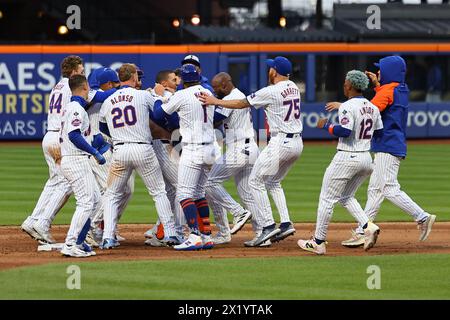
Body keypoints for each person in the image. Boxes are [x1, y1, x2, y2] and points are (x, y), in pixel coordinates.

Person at [326, 55, 437, 247]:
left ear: (389, 72)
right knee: (375, 191)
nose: (377, 72)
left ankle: (422, 216)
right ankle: (364, 231)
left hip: (387, 145)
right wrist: (377, 85)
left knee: (388, 187)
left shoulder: (387, 91)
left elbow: (368, 111)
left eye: (380, 70)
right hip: (392, 144)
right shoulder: (400, 88)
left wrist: (343, 105)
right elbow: (383, 102)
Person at [199, 56, 303, 247]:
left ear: (274, 72)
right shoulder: (294, 87)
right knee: (255, 190)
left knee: (211, 182)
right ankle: (263, 231)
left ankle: (247, 216)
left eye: (271, 68)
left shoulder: (269, 91)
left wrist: (212, 101)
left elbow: (238, 105)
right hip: (285, 142)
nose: (268, 70)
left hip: (249, 146)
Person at [21, 55, 116, 244]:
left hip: (50, 135)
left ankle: (33, 220)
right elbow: (104, 96)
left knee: (54, 182)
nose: (84, 74)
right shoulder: (72, 87)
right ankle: (43, 222)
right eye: (81, 71)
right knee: (65, 183)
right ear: (73, 72)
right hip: (60, 138)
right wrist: (124, 89)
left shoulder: (57, 86)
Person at [297, 70, 382, 255]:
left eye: (345, 83)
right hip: (366, 158)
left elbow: (344, 131)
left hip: (347, 156)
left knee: (327, 198)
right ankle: (368, 226)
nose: (344, 85)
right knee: (346, 197)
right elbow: (380, 132)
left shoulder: (346, 106)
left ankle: (318, 242)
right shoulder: (373, 107)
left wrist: (326, 126)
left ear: (350, 85)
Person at [99, 63, 178, 249]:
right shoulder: (143, 95)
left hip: (120, 150)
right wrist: (158, 96)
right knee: (159, 192)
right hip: (143, 148)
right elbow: (159, 116)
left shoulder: (109, 100)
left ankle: (108, 237)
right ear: (134, 77)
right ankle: (171, 233)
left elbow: (103, 127)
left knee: (111, 195)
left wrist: (120, 135)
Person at [154, 64, 216, 251]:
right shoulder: (206, 91)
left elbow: (158, 115)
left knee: (183, 193)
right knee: (198, 193)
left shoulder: (182, 95)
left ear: (183, 80)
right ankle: (206, 234)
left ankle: (195, 235)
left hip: (194, 149)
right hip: (211, 148)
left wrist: (158, 96)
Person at [204, 72, 263, 246]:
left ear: (225, 85)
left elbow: (215, 120)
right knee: (247, 194)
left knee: (210, 182)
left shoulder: (233, 97)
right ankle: (261, 233)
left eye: (216, 89)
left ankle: (238, 212)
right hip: (249, 147)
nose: (215, 93)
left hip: (240, 148)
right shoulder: (235, 96)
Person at [59, 75, 107, 257]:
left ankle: (79, 241)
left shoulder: (71, 108)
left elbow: (80, 137)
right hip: (75, 159)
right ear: (85, 87)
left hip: (76, 158)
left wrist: (98, 144)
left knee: (95, 200)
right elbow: (74, 135)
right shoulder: (77, 108)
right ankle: (71, 244)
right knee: (86, 202)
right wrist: (95, 153)